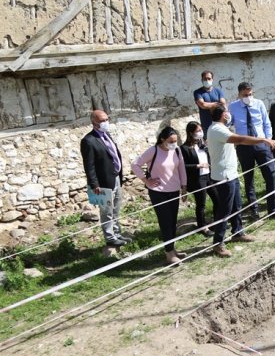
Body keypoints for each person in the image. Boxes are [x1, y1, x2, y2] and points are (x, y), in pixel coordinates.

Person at [207, 106, 275, 257]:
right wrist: (263, 139)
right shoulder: (217, 130)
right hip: (223, 177)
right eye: (227, 112)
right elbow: (240, 139)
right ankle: (218, 243)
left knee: (237, 205)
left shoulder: (221, 128)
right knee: (225, 210)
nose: (229, 114)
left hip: (231, 174)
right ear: (223, 115)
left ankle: (237, 232)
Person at [131, 127, 188, 264]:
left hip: (173, 190)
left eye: (175, 141)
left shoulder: (177, 150)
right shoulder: (153, 150)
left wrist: (184, 187)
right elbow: (135, 164)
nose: (174, 143)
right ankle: (169, 253)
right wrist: (146, 180)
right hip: (158, 192)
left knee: (173, 221)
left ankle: (172, 249)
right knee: (165, 222)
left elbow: (181, 168)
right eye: (171, 141)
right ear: (163, 139)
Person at [228, 82, 275, 220]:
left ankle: (272, 208)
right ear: (239, 94)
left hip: (262, 145)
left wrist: (269, 140)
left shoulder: (259, 104)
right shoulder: (233, 107)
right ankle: (254, 209)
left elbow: (266, 123)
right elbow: (229, 123)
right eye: (245, 95)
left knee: (271, 175)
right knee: (249, 178)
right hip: (244, 146)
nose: (248, 97)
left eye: (250, 94)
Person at [80, 110, 130, 253]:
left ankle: (117, 233)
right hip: (103, 182)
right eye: (102, 121)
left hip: (115, 177)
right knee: (106, 210)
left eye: (107, 119)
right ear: (94, 122)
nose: (105, 123)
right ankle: (110, 237)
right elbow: (89, 165)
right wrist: (94, 184)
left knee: (116, 208)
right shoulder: (88, 141)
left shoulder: (107, 135)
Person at [181, 121, 216, 237]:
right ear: (191, 133)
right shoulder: (184, 148)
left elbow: (210, 157)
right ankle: (202, 227)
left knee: (217, 199)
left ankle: (215, 222)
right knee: (201, 204)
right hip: (198, 178)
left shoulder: (203, 145)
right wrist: (198, 166)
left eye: (201, 130)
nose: (201, 132)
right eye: (198, 131)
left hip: (209, 176)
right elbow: (182, 166)